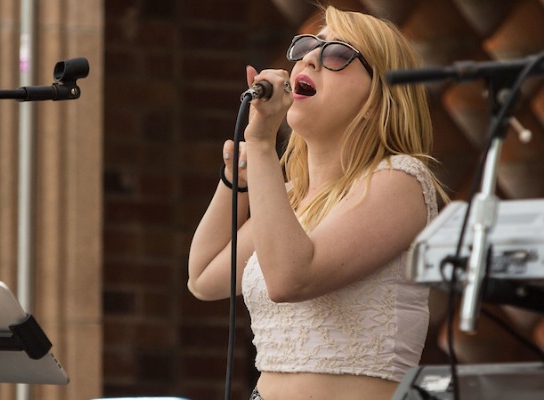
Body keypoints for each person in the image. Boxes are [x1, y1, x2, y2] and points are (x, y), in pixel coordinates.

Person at [186, 6, 447, 400]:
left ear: (378, 97)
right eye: (308, 47)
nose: (309, 58)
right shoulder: (291, 198)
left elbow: (291, 278)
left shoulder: (400, 179)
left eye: (337, 54)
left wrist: (259, 145)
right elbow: (204, 279)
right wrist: (235, 183)